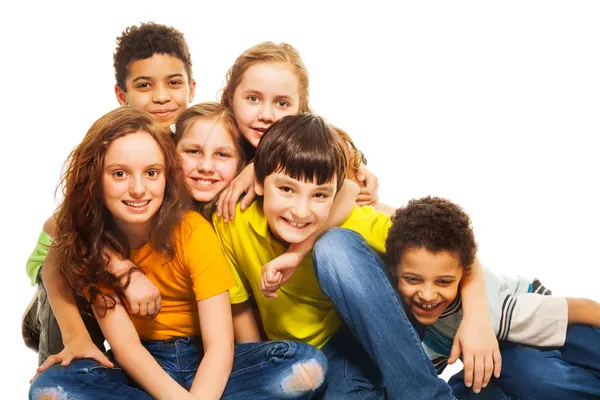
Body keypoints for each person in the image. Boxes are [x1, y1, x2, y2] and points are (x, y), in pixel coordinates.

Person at [30, 107, 327, 400]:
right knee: (52, 389)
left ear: (167, 175)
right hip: (143, 365)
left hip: (207, 358)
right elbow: (127, 348)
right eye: (119, 174)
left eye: (151, 173)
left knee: (305, 365)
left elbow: (220, 345)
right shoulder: (96, 247)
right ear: (96, 178)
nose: (137, 189)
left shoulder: (193, 231)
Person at [213, 113, 462, 399]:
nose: (301, 211)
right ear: (258, 182)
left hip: (365, 334)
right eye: (286, 189)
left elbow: (446, 244)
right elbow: (239, 307)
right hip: (325, 359)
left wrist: (476, 315)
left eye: (319, 195)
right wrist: (264, 368)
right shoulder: (232, 223)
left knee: (333, 246)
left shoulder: (349, 219)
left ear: (335, 195)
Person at [22, 21, 197, 365]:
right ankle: (49, 339)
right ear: (122, 96)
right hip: (64, 264)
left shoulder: (194, 148)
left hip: (134, 268)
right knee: (74, 269)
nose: (162, 96)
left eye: (173, 83)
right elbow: (60, 226)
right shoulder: (111, 144)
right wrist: (123, 270)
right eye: (144, 85)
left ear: (191, 88)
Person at [386, 196, 600, 399]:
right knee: (483, 380)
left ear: (463, 275)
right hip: (505, 354)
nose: (427, 295)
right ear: (393, 270)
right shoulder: (416, 322)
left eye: (443, 282)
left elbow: (584, 307)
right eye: (413, 279)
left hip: (547, 323)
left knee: (532, 374)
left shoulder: (494, 310)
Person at [216, 41, 383, 222]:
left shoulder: (326, 151)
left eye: (282, 103)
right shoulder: (214, 141)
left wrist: (257, 167)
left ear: (300, 108)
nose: (266, 115)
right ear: (231, 97)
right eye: (253, 98)